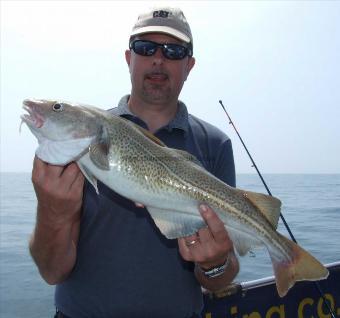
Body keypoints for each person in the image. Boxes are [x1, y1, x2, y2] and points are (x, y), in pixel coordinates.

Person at [29, 7, 239, 318]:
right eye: (145, 47)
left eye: (173, 50)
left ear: (189, 65)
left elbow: (224, 273)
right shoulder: (77, 149)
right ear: (129, 58)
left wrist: (214, 262)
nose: (158, 58)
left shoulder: (215, 144)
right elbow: (51, 272)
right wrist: (52, 211)